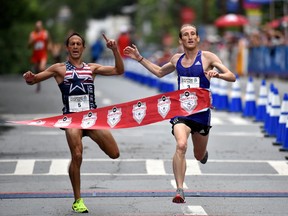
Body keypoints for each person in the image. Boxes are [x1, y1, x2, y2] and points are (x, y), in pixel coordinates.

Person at [124, 24, 236, 203]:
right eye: (186, 35)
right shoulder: (176, 59)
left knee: (198, 155)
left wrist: (217, 75)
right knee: (181, 145)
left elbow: (231, 75)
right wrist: (139, 58)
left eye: (193, 34)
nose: (190, 37)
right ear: (180, 40)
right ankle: (179, 189)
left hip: (201, 113)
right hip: (180, 111)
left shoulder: (208, 57)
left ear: (198, 38)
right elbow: (160, 72)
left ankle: (203, 153)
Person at [23, 32, 124, 213]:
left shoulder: (92, 68)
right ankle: (78, 200)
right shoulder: (59, 69)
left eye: (79, 44)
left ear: (83, 48)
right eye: (72, 44)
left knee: (114, 153)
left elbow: (119, 71)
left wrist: (115, 50)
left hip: (91, 119)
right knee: (77, 155)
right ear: (67, 48)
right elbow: (35, 79)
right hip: (72, 119)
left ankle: (75, 182)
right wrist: (30, 77)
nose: (76, 46)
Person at [28, 20, 50, 93]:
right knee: (37, 70)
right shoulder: (32, 34)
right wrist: (32, 41)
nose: (38, 27)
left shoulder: (45, 33)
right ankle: (38, 84)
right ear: (35, 27)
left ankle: (43, 75)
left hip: (43, 54)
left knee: (42, 68)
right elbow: (28, 45)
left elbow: (48, 42)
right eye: (37, 26)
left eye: (39, 26)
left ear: (41, 26)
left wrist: (49, 46)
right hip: (36, 55)